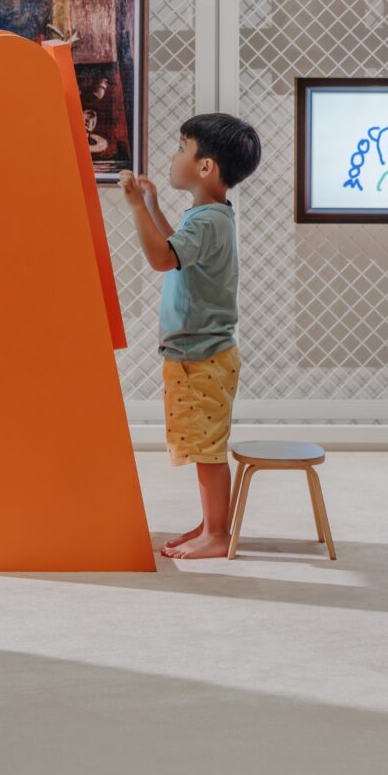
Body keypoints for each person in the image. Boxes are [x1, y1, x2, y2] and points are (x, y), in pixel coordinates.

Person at [119, 112, 262, 560]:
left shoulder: (207, 221)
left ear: (205, 167)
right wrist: (154, 206)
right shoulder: (208, 217)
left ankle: (216, 534)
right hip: (200, 353)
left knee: (207, 451)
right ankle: (209, 525)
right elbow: (178, 250)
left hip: (201, 355)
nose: (174, 155)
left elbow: (163, 259)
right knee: (203, 447)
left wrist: (136, 208)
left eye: (182, 148)